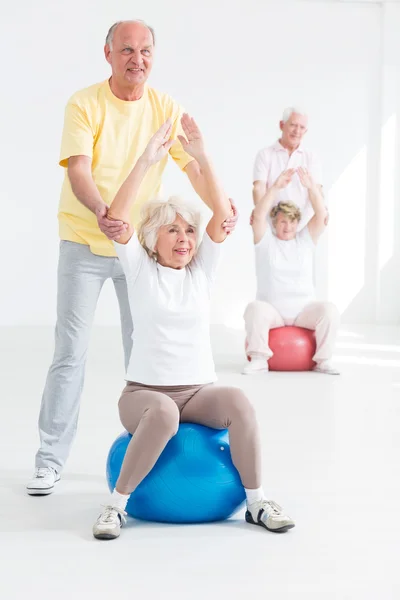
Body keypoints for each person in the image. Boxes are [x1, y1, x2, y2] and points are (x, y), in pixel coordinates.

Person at [26, 19, 237, 496]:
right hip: (85, 239)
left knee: (144, 350)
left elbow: (196, 170)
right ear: (108, 55)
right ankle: (49, 460)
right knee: (70, 353)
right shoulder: (84, 103)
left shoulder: (165, 108)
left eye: (144, 51)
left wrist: (221, 208)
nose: (136, 59)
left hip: (138, 251)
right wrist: (103, 212)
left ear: (153, 56)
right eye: (126, 50)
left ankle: (149, 449)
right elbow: (79, 171)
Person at [92, 115, 295, 539]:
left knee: (239, 401)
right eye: (172, 230)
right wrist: (147, 160)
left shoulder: (201, 271)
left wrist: (202, 156)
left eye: (188, 230)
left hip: (199, 392)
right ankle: (116, 506)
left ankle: (257, 503)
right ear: (152, 239)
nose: (184, 238)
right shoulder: (139, 268)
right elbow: (119, 214)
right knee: (163, 413)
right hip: (144, 396)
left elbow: (223, 215)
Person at [243, 168, 340, 375]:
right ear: (275, 223)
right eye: (283, 222)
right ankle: (259, 359)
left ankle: (323, 360)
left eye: (292, 221)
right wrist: (276, 186)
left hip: (302, 311)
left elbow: (321, 213)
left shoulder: (305, 240)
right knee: (254, 309)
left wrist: (311, 187)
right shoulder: (265, 242)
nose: (288, 226)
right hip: (273, 311)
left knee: (329, 311)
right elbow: (259, 214)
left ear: (298, 223)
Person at [252, 107, 325, 230]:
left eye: (302, 127)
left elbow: (318, 191)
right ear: (282, 125)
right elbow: (258, 190)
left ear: (305, 131)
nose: (297, 131)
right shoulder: (265, 154)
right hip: (271, 227)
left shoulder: (311, 157)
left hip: (303, 229)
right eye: (293, 125)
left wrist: (322, 211)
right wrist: (261, 217)